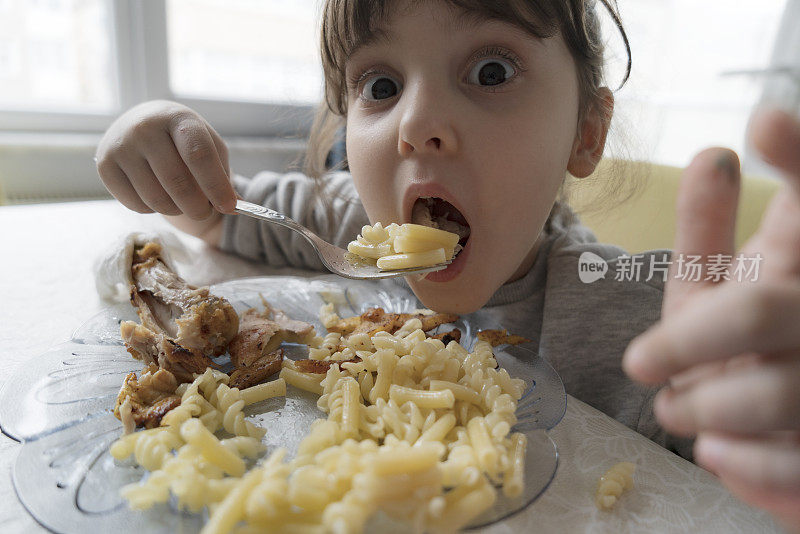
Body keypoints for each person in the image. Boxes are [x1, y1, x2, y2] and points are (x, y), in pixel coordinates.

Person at [95, 0, 800, 529]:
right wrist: (154, 138)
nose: (416, 122)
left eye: (490, 71)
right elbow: (214, 212)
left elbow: (741, 445)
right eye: (379, 86)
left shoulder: (627, 313)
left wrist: (766, 392)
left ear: (585, 133)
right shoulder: (346, 219)